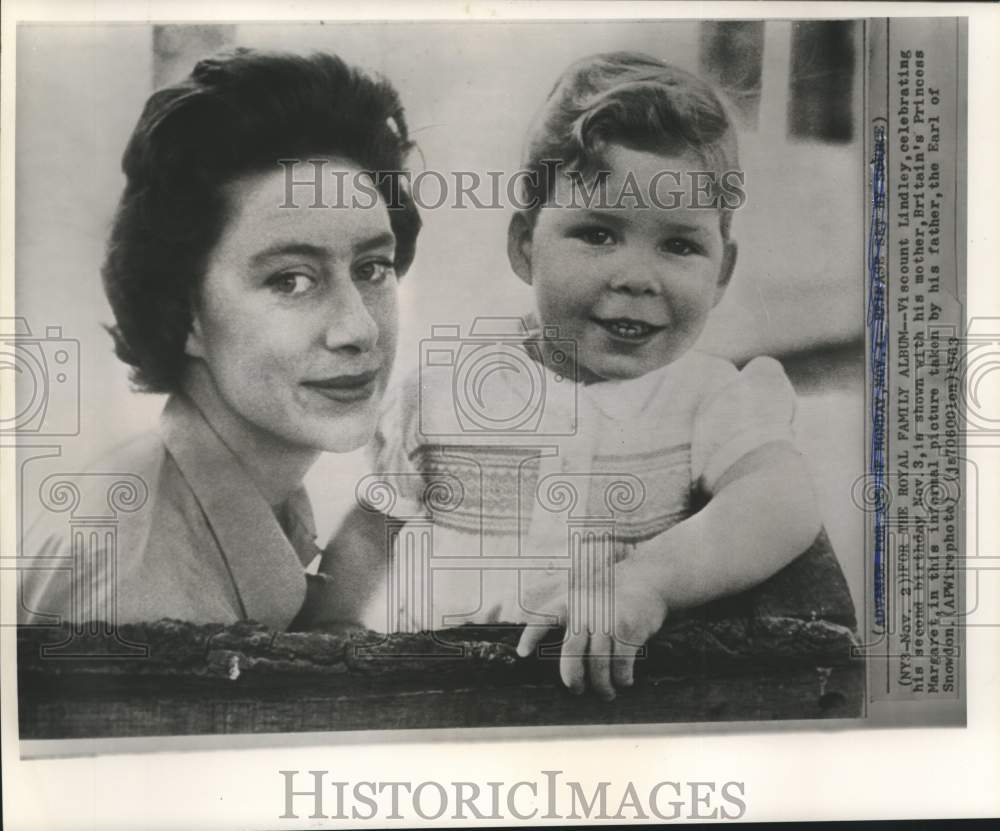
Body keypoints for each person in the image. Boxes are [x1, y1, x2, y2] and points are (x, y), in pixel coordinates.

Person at [323, 51, 822, 699]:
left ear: (721, 272)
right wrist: (329, 627)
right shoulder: (444, 388)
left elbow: (782, 500)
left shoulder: (708, 396)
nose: (637, 277)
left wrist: (645, 583)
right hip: (444, 697)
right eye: (598, 234)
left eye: (679, 244)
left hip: (615, 705)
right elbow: (373, 527)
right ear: (525, 245)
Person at [19, 48, 421, 631]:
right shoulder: (138, 584)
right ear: (186, 315)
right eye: (291, 280)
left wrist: (385, 513)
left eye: (372, 268)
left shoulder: (241, 493)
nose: (359, 328)